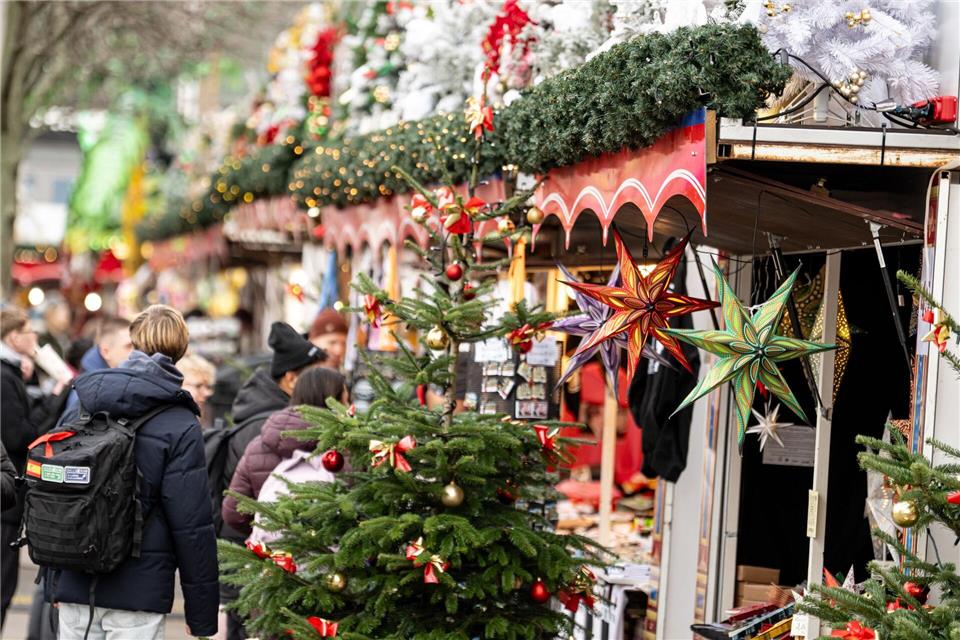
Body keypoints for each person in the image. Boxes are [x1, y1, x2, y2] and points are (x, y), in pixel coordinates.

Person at [54, 305, 218, 640]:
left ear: (134, 342)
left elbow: (59, 490)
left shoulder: (89, 400)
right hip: (139, 590)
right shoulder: (181, 422)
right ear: (182, 350)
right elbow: (192, 524)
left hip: (77, 580)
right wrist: (201, 614)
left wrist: (56, 580)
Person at [218, 322, 325, 640]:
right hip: (258, 572)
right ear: (292, 380)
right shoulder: (277, 432)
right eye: (315, 376)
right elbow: (240, 511)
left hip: (257, 569)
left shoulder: (270, 421)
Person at [221, 367, 347, 535]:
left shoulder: (259, 446)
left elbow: (234, 513)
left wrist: (271, 533)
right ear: (334, 403)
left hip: (277, 558)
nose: (350, 407)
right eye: (346, 401)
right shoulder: (348, 448)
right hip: (337, 556)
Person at [0, 306, 39, 626]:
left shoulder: (11, 371)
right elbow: (16, 435)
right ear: (13, 337)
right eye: (30, 331)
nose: (35, 337)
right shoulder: (3, 376)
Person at [179, 353, 217, 428]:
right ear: (180, 385)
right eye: (198, 386)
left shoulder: (206, 411)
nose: (207, 393)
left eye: (208, 387)